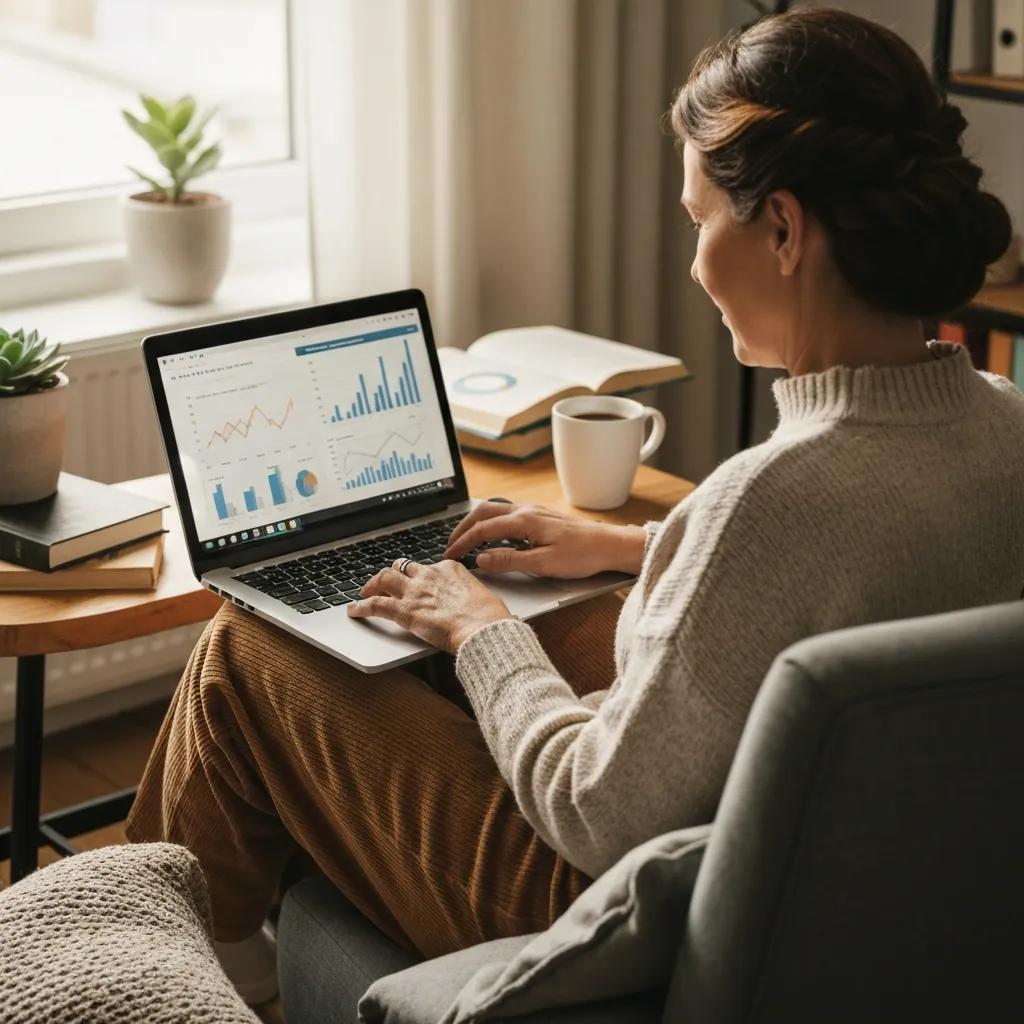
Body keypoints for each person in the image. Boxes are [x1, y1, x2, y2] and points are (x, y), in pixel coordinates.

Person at [127, 6, 1024, 1002]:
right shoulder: (1003, 426)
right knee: (515, 622)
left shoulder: (766, 504)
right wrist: (640, 543)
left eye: (698, 220)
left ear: (781, 229)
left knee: (249, 651)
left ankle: (146, 964)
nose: (692, 264)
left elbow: (590, 809)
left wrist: (482, 630)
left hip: (593, 898)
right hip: (857, 889)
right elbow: (863, 556)